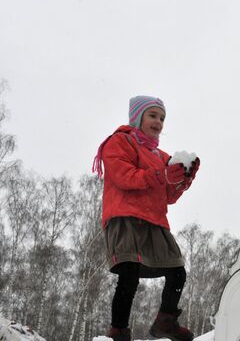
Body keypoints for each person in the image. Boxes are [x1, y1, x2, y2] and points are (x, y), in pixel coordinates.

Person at [92, 96, 199, 341]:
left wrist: (183, 179)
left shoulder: (162, 155)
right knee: (129, 274)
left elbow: (168, 195)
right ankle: (118, 330)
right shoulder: (119, 141)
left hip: (154, 221)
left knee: (177, 271)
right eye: (152, 115)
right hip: (125, 216)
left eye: (162, 118)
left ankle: (166, 321)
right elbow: (125, 177)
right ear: (137, 117)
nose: (158, 122)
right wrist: (162, 174)